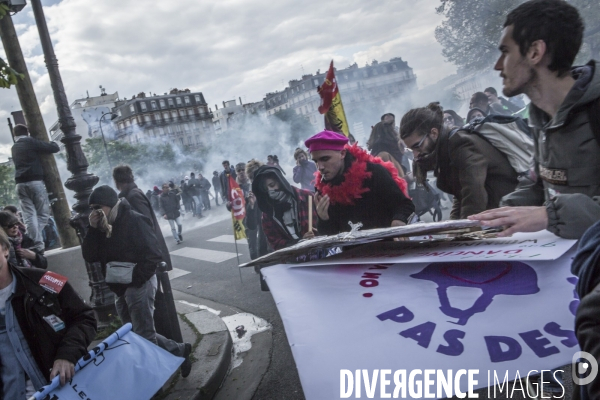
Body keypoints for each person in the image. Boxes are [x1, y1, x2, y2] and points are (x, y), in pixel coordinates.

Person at [468, 0, 599, 241]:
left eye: (505, 52)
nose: (498, 66)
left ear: (535, 52)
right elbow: (540, 185)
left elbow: (547, 211)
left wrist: (548, 216)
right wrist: (499, 216)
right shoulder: (541, 116)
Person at [81, 185, 192, 377]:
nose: (95, 212)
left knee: (145, 335)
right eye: (91, 208)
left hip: (139, 284)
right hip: (119, 287)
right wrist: (92, 230)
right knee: (132, 333)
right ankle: (179, 350)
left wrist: (136, 280)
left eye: (98, 206)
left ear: (109, 204)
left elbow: (153, 255)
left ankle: (155, 380)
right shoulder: (100, 228)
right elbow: (90, 256)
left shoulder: (134, 220)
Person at [0, 229, 96, 398]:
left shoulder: (44, 280)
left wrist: (67, 355)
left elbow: (84, 317)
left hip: (61, 391)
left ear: (5, 249)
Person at [400, 103, 521, 219]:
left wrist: (466, 232)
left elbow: (474, 194)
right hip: (498, 211)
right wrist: (454, 225)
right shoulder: (446, 148)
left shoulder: (459, 144)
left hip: (512, 211)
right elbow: (461, 193)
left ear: (434, 133)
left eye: (417, 146)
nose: (415, 155)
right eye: (410, 149)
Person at [307, 130, 414, 235]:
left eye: (325, 159)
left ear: (342, 154)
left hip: (387, 244)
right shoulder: (323, 188)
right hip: (353, 250)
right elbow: (330, 235)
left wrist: (399, 219)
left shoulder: (373, 172)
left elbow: (404, 204)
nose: (320, 167)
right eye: (315, 161)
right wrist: (324, 220)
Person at [10, 124, 60, 252]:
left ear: (15, 134)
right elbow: (53, 148)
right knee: (43, 214)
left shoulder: (14, 147)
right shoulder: (30, 142)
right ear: (27, 132)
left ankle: (37, 244)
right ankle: (35, 240)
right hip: (35, 182)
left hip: (20, 184)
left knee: (29, 216)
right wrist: (53, 141)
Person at [113, 165, 172, 271]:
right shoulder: (132, 193)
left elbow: (146, 224)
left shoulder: (132, 195)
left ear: (117, 181)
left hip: (147, 250)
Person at [252, 165, 316, 250]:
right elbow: (276, 243)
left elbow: (325, 227)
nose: (271, 191)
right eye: (266, 189)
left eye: (272, 185)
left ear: (280, 181)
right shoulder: (268, 214)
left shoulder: (307, 197)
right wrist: (299, 243)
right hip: (292, 260)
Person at [246, 159, 269, 258]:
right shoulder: (253, 197)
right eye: (251, 178)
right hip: (264, 241)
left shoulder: (274, 189)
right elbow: (252, 225)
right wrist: (251, 206)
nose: (254, 180)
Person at [236, 163, 259, 259]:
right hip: (246, 217)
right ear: (237, 173)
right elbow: (231, 204)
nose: (241, 172)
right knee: (252, 240)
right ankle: (256, 262)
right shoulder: (235, 188)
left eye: (243, 169)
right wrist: (229, 205)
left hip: (258, 212)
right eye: (239, 171)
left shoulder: (253, 181)